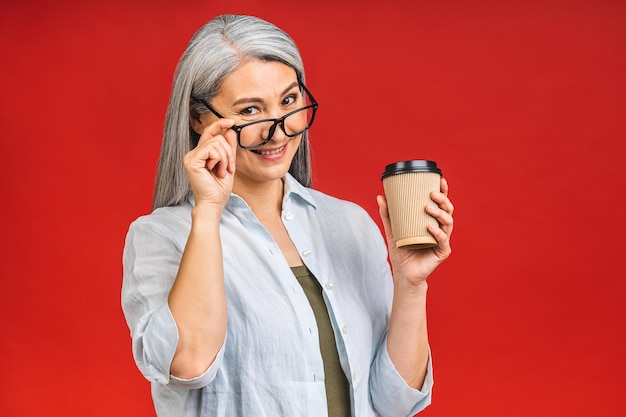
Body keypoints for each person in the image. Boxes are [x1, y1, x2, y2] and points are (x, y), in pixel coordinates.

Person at [121, 14, 454, 417]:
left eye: (289, 101)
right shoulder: (163, 236)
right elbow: (189, 366)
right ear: (198, 117)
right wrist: (208, 210)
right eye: (250, 111)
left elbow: (394, 402)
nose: (277, 131)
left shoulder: (350, 224)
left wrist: (411, 282)